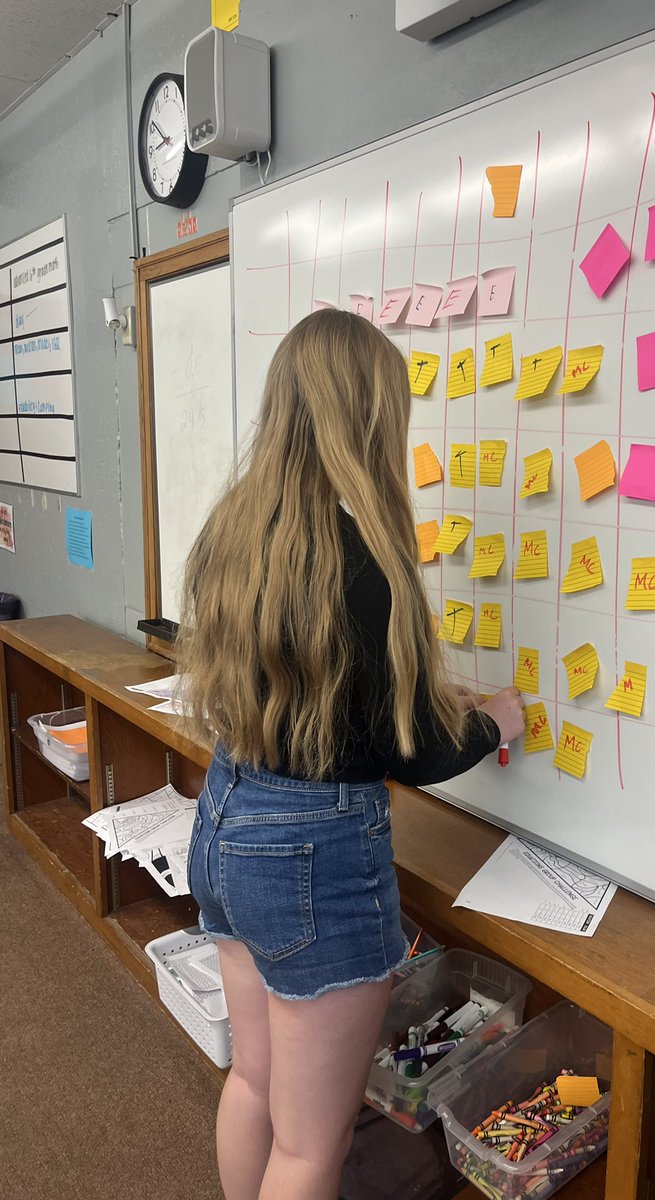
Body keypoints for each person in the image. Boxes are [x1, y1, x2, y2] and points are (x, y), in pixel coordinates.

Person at [179, 309, 525, 1200]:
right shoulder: (367, 556)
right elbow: (411, 750)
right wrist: (495, 722)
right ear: (368, 417)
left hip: (227, 816)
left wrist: (402, 696)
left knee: (252, 1080)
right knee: (309, 1148)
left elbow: (322, 696)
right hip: (308, 856)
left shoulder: (234, 532)